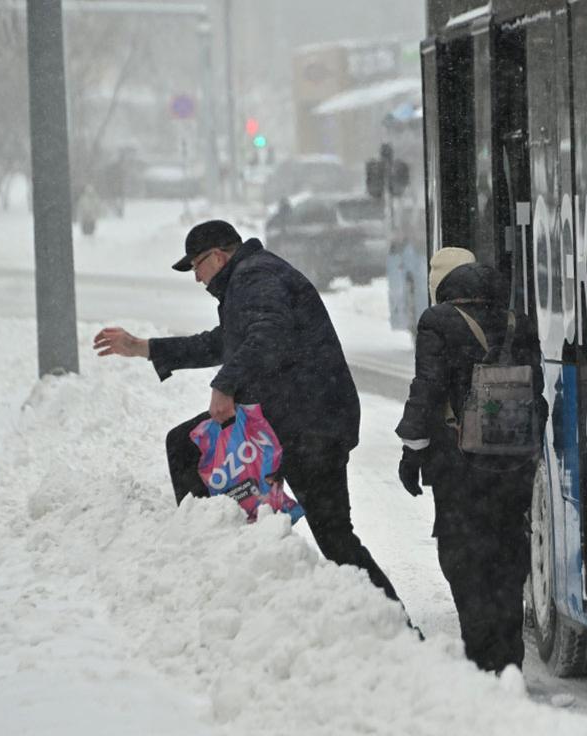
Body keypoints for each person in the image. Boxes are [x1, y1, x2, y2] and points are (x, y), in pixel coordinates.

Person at [93, 219, 402, 604]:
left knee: (333, 533)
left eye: (196, 266)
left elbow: (268, 335)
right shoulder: (250, 279)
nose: (196, 278)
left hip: (308, 424)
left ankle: (217, 552)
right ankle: (224, 557)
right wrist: (144, 347)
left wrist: (224, 385)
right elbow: (223, 342)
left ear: (218, 256)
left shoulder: (255, 277)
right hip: (296, 420)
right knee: (333, 534)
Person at [395, 247, 544, 673]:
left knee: (464, 558)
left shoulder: (437, 321)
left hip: (460, 465)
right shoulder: (519, 322)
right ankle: (509, 660)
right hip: (513, 463)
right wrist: (525, 447)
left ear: (441, 283)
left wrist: (413, 452)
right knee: (506, 556)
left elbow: (427, 389)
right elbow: (537, 393)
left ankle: (481, 660)